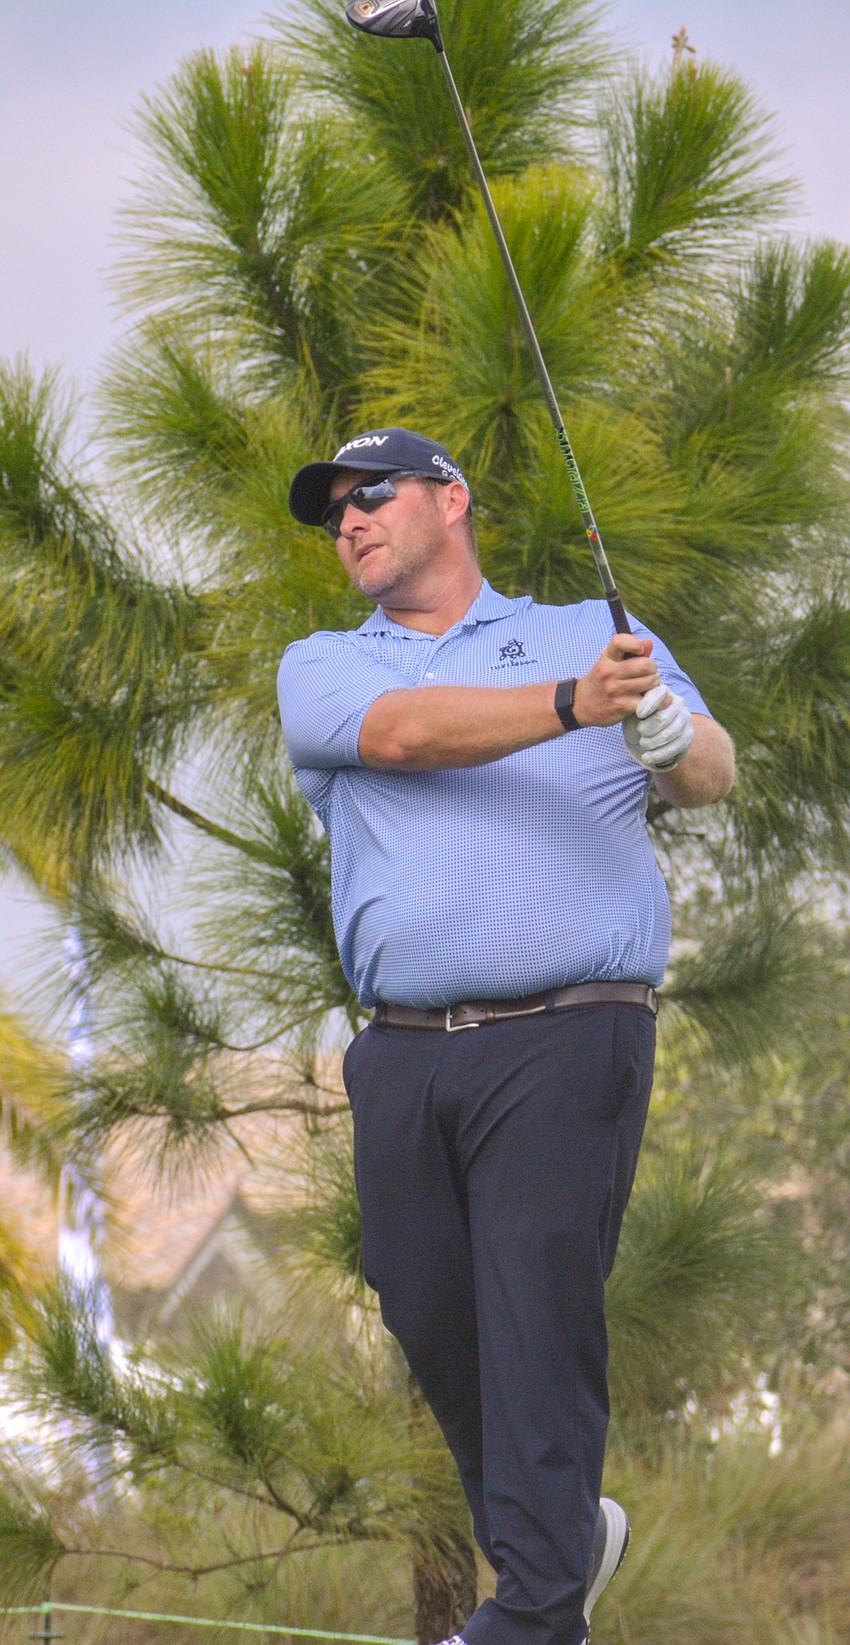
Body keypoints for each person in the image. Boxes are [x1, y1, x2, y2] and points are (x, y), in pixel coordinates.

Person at [278, 428, 735, 1645]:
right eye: (334, 513)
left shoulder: (591, 629)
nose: (350, 522)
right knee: (426, 1302)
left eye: (371, 495)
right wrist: (566, 709)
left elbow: (712, 772)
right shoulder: (324, 666)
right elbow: (403, 738)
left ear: (450, 499)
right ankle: (564, 1538)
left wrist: (665, 739)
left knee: (534, 1295)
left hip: (569, 1031)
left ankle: (535, 1614)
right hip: (405, 1051)